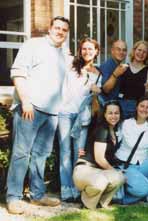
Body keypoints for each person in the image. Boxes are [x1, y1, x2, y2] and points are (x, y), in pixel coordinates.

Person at [6, 16, 70, 214]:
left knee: (41, 155)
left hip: (52, 112)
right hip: (30, 108)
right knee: (21, 154)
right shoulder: (33, 45)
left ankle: (37, 195)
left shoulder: (63, 53)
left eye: (64, 30)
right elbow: (18, 72)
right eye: (57, 27)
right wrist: (25, 101)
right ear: (49, 28)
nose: (60, 32)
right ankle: (13, 197)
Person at [58, 38, 102, 202]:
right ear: (80, 50)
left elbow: (94, 100)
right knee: (65, 152)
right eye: (84, 49)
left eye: (91, 49)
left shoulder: (98, 74)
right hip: (65, 113)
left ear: (97, 51)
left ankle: (76, 189)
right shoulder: (71, 67)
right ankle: (65, 188)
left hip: (82, 118)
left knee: (78, 153)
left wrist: (95, 91)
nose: (87, 52)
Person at [72, 100, 125, 209]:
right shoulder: (102, 129)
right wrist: (114, 170)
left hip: (98, 171)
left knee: (120, 178)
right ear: (104, 114)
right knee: (103, 180)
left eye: (116, 113)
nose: (113, 116)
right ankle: (86, 203)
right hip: (85, 170)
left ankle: (101, 203)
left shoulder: (113, 131)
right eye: (110, 113)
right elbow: (100, 159)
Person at [119, 41, 148, 119]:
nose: (141, 53)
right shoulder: (124, 67)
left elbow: (147, 96)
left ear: (147, 55)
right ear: (134, 50)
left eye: (144, 52)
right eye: (139, 50)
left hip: (138, 108)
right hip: (122, 106)